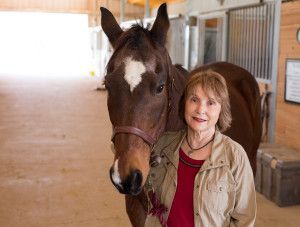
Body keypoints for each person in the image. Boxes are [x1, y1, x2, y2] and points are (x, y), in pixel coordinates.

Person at [144, 70, 256, 227]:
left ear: (221, 110)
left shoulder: (235, 156)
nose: (200, 110)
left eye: (211, 103)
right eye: (194, 100)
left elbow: (244, 219)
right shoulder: (163, 144)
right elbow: (129, 152)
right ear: (184, 104)